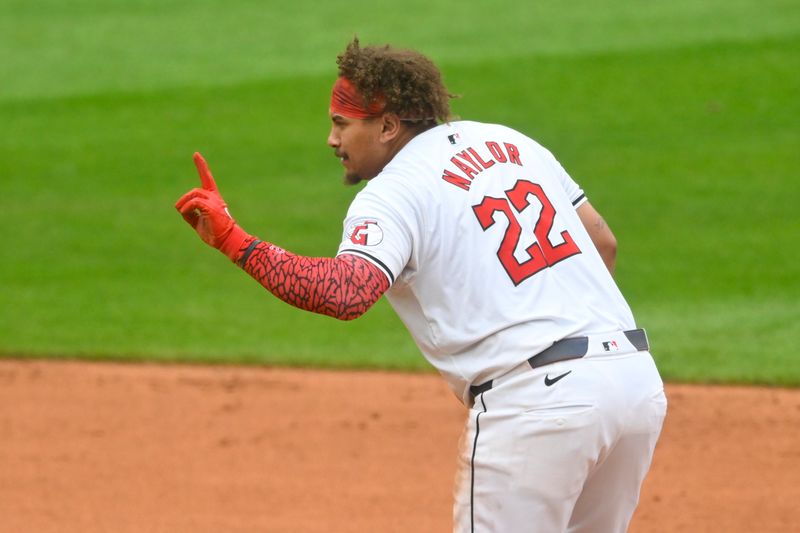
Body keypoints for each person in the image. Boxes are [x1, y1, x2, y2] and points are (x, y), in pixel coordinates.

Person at [176, 37, 667, 533]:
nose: (331, 139)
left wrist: (234, 241)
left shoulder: (392, 192)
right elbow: (602, 242)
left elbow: (343, 293)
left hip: (538, 406)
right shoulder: (513, 143)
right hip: (633, 382)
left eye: (342, 124)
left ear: (387, 126)